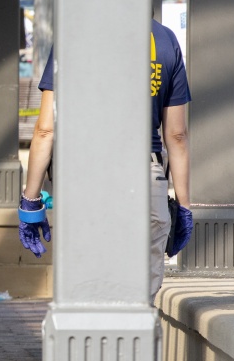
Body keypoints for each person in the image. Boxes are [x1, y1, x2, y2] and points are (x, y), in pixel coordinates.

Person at [19, 19, 192, 298]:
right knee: (140, 302)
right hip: (146, 176)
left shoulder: (74, 34)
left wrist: (31, 201)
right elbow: (177, 135)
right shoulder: (164, 39)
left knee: (87, 294)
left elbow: (45, 129)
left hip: (87, 174)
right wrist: (183, 207)